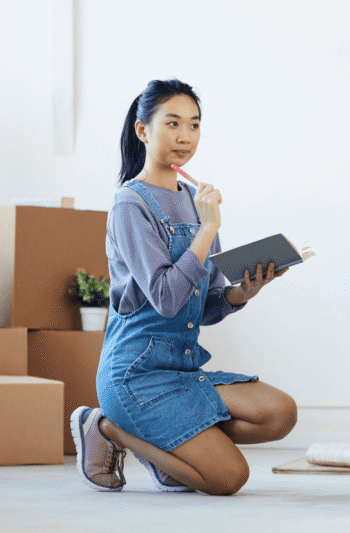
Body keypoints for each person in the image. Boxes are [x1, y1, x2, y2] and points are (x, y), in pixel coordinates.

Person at [71, 79, 298, 496]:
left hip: (182, 370)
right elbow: (166, 297)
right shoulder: (130, 205)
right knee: (229, 478)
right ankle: (105, 427)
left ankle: (173, 452)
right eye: (172, 123)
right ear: (143, 130)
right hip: (135, 376)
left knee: (279, 413)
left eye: (194, 125)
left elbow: (206, 304)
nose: (185, 136)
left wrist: (242, 293)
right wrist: (208, 227)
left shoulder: (196, 199)